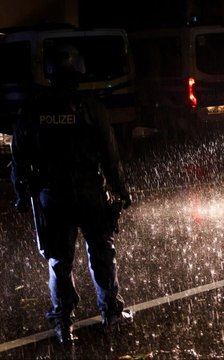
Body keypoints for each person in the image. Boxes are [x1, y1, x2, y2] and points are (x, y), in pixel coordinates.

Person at [10, 44, 133, 344]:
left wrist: (20, 193)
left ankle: (63, 322)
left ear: (50, 73)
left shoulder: (34, 107)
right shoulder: (91, 107)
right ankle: (111, 313)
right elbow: (110, 155)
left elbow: (18, 156)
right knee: (102, 254)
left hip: (52, 197)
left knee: (59, 261)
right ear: (78, 72)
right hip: (90, 193)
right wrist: (121, 190)